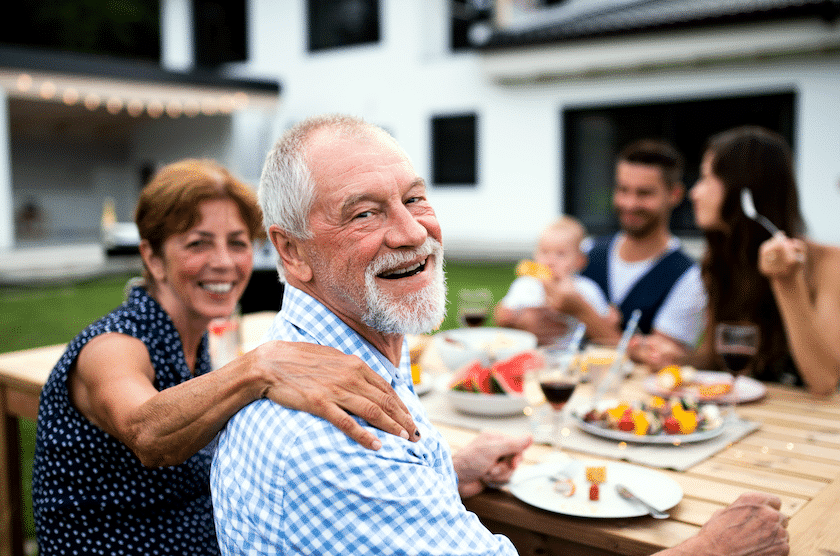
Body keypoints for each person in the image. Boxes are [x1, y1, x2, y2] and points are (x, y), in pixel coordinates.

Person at [211, 114, 789, 556]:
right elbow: (359, 481)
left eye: (414, 198)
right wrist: (711, 548)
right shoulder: (331, 440)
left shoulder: (344, 356)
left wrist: (448, 471)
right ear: (290, 250)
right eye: (365, 213)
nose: (413, 231)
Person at [31, 159, 419, 556]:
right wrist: (259, 367)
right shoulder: (114, 344)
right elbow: (145, 433)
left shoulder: (192, 337)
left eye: (237, 242)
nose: (224, 262)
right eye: (198, 243)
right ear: (152, 257)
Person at [686, 125, 840, 395]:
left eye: (706, 179)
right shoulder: (720, 260)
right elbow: (713, 358)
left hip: (805, 428)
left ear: (744, 191)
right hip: (741, 421)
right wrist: (671, 359)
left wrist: (787, 283)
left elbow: (825, 382)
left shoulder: (828, 263)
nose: (694, 193)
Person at [581, 139, 706, 367]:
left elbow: (658, 361)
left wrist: (584, 313)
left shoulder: (689, 278)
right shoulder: (588, 251)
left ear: (675, 194)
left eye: (644, 193)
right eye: (623, 190)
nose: (629, 203)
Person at [494, 215, 619, 345]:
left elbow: (605, 320)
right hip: (532, 352)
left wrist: (611, 318)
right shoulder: (525, 285)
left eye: (560, 254)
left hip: (573, 355)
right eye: (544, 252)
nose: (550, 261)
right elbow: (505, 313)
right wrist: (509, 316)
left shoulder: (586, 288)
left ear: (579, 261)